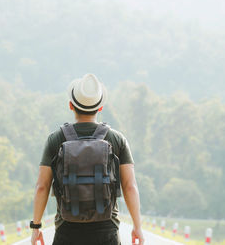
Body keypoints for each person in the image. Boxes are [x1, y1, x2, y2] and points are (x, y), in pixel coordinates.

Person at [30, 73, 144, 245]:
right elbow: (130, 186)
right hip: (106, 230)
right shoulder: (117, 139)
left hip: (67, 229)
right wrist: (137, 227)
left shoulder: (55, 139)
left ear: (71, 105)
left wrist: (36, 227)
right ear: (100, 108)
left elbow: (41, 187)